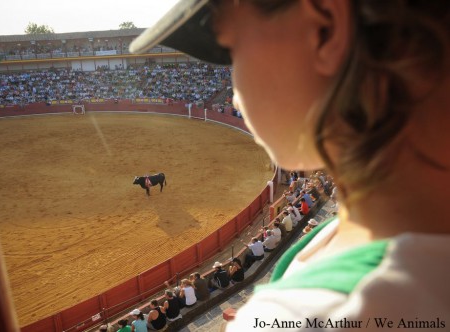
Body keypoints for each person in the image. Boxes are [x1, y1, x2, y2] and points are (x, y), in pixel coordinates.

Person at [131, 0, 450, 330]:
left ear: (324, 30)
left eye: (231, 50)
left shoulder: (300, 315)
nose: (234, 97)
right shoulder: (350, 240)